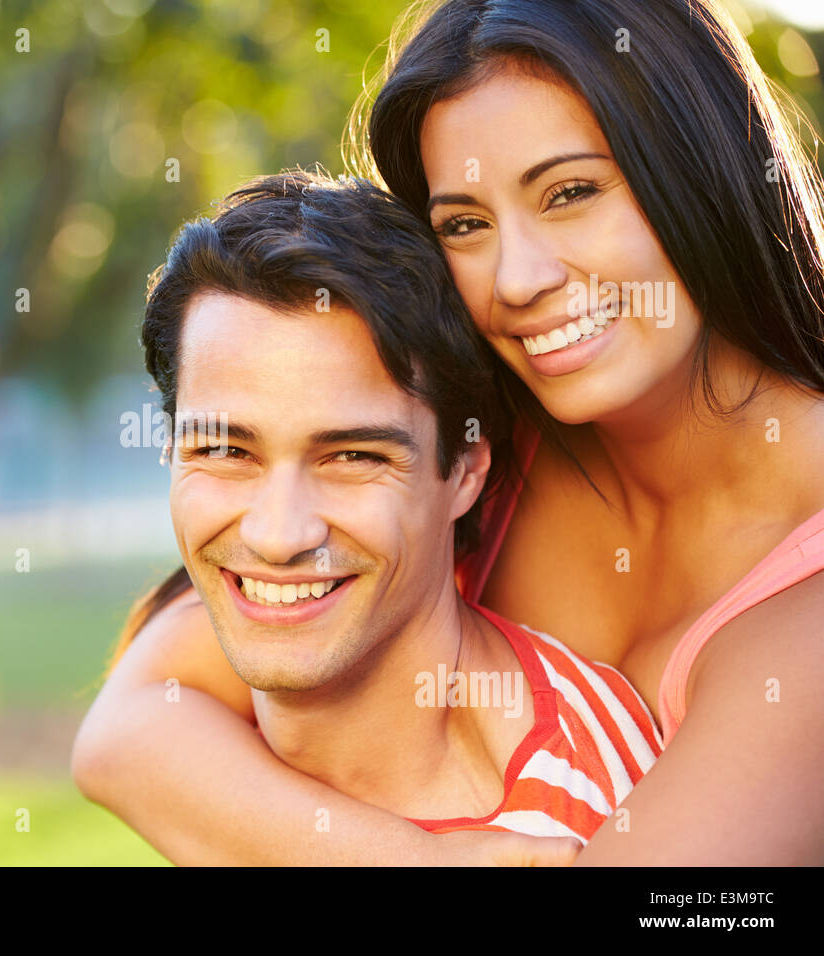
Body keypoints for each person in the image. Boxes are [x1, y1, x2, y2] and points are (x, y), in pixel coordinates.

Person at [72, 0, 824, 865]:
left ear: (700, 169)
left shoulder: (805, 594)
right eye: (464, 223)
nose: (520, 277)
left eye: (571, 192)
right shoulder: (476, 427)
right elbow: (131, 729)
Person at [79, 169, 661, 858]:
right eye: (225, 449)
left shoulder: (586, 827)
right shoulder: (197, 694)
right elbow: (118, 739)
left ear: (467, 469)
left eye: (353, 457)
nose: (277, 535)